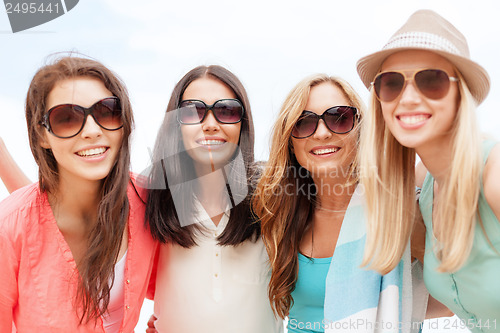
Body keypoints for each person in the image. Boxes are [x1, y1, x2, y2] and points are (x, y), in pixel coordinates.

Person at [357, 9, 500, 332]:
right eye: (391, 83)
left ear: (461, 95)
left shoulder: (493, 175)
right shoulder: (423, 189)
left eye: (431, 80)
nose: (407, 99)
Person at [253, 74, 424, 333]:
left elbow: (448, 299)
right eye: (304, 123)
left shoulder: (397, 208)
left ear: (360, 128)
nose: (322, 133)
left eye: (339, 118)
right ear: (290, 143)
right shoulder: (277, 211)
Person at [0, 56, 157, 332]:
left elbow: (185, 287)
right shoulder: (10, 227)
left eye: (108, 111)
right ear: (41, 136)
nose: (92, 131)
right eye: (67, 119)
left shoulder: (149, 203)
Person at [143, 65, 283, 332]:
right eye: (192, 112)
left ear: (243, 123)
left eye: (226, 111)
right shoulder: (151, 199)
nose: (210, 125)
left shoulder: (271, 196)